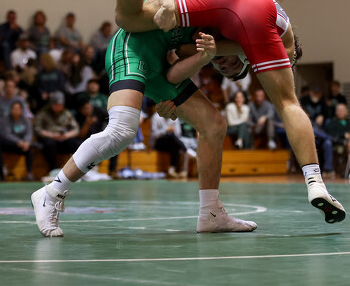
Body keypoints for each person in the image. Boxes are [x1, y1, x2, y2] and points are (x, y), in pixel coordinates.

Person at [77, 0, 345, 223]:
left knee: (128, 19)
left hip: (230, 3)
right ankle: (315, 180)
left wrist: (173, 88)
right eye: (225, 66)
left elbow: (180, 55)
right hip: (242, 12)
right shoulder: (247, 33)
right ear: (249, 61)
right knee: (288, 103)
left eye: (224, 67)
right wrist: (168, 3)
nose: (223, 65)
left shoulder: (222, 26)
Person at [31, 20, 257, 236]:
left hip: (158, 63)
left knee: (214, 125)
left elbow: (173, 72)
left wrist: (167, 95)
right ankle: (51, 193)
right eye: (233, 64)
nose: (224, 66)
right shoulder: (217, 14)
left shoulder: (205, 45)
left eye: (225, 70)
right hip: (132, 48)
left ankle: (211, 213)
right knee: (121, 131)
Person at [34, 91, 82, 171]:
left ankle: (77, 168)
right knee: (50, 145)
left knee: (76, 143)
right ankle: (53, 168)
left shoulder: (66, 113)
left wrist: (66, 135)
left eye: (60, 105)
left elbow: (76, 129)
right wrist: (51, 135)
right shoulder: (43, 112)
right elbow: (37, 129)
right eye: (56, 105)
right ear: (51, 104)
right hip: (49, 138)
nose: (58, 107)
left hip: (63, 137)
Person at [0, 101, 34, 181]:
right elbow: (7, 134)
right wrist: (18, 141)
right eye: (14, 109)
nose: (16, 111)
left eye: (18, 109)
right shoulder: (6, 120)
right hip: (10, 144)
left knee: (30, 150)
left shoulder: (25, 120)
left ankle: (29, 173)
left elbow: (29, 133)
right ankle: (2, 173)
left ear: (21, 110)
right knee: (1, 144)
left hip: (23, 145)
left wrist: (26, 142)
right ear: (11, 110)